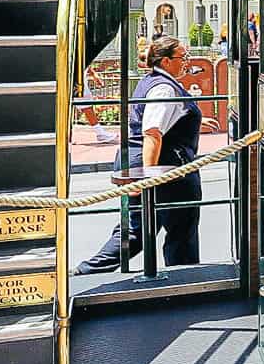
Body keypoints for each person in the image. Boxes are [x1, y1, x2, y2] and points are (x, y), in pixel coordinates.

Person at [76, 36, 202, 274]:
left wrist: (193, 122)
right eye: (182, 57)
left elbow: (160, 120)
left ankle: (88, 270)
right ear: (165, 61)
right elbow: (153, 131)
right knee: (180, 228)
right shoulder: (165, 88)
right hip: (167, 166)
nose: (187, 61)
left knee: (138, 229)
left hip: (146, 159)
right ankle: (185, 278)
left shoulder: (153, 80)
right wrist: (147, 176)